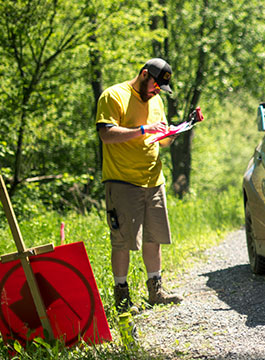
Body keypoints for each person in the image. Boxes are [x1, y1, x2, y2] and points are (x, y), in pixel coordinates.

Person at [96, 58, 183, 313]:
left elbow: (161, 140)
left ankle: (156, 290)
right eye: (156, 85)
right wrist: (142, 129)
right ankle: (122, 298)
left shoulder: (156, 100)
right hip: (123, 181)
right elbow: (106, 134)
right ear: (144, 74)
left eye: (161, 89)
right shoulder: (114, 96)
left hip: (154, 180)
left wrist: (173, 133)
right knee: (122, 241)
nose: (158, 91)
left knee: (154, 237)